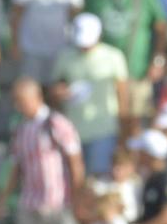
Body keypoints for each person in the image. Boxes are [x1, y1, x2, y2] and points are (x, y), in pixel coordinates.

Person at [5, 77, 84, 224]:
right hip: (29, 202)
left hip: (55, 201)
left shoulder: (56, 123)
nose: (19, 106)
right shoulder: (20, 128)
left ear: (37, 97)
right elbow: (16, 166)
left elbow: (75, 162)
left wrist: (77, 197)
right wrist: (4, 197)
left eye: (22, 101)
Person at [55, 12, 131, 176]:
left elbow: (123, 96)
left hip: (104, 130)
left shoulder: (114, 56)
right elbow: (55, 89)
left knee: (98, 179)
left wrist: (124, 131)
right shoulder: (65, 57)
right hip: (72, 131)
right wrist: (60, 93)